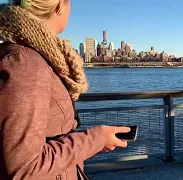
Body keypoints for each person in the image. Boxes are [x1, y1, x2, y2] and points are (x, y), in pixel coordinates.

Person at [0, 0, 130, 179]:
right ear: (60, 5)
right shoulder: (25, 62)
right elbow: (25, 169)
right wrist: (95, 138)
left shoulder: (28, 55)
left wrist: (93, 144)